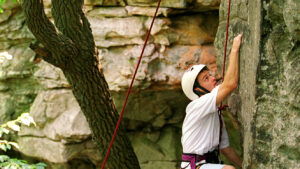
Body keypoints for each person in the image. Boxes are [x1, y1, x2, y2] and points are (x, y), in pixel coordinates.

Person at [180, 34, 243, 169]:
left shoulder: (215, 115)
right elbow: (230, 84)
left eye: (210, 75)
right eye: (206, 79)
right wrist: (235, 49)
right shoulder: (196, 105)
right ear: (198, 90)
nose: (213, 78)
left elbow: (226, 149)